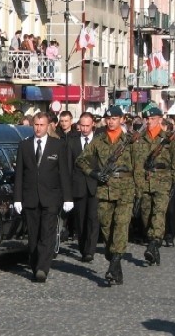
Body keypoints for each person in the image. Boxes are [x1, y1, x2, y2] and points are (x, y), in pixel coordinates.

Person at [76, 106, 138, 286]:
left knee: (121, 225)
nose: (110, 121)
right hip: (104, 189)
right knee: (106, 228)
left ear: (121, 120)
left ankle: (113, 265)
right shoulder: (98, 140)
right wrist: (93, 173)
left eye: (114, 118)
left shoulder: (130, 141)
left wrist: (139, 191)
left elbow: (138, 167)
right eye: (108, 119)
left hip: (125, 189)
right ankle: (114, 261)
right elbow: (81, 160)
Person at [13, 112, 73, 283]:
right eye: (36, 125)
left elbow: (64, 174)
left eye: (42, 125)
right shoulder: (24, 145)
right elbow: (19, 175)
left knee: (47, 234)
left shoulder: (58, 145)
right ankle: (35, 264)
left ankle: (42, 268)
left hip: (51, 197)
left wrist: (68, 197)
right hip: (30, 197)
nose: (38, 128)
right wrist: (17, 198)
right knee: (33, 236)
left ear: (48, 126)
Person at [132, 107, 175, 267]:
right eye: (147, 119)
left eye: (152, 119)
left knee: (158, 214)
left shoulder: (168, 139)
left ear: (160, 119)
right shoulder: (140, 139)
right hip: (145, 182)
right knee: (147, 216)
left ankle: (154, 243)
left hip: (163, 182)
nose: (149, 121)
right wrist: (137, 184)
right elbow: (137, 164)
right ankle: (154, 244)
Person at [68, 112, 99, 263]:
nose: (85, 129)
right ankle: (82, 247)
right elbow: (68, 166)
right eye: (82, 125)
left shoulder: (100, 140)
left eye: (88, 125)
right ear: (79, 125)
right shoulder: (72, 141)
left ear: (93, 124)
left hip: (95, 185)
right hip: (78, 185)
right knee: (80, 220)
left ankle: (90, 251)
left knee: (93, 219)